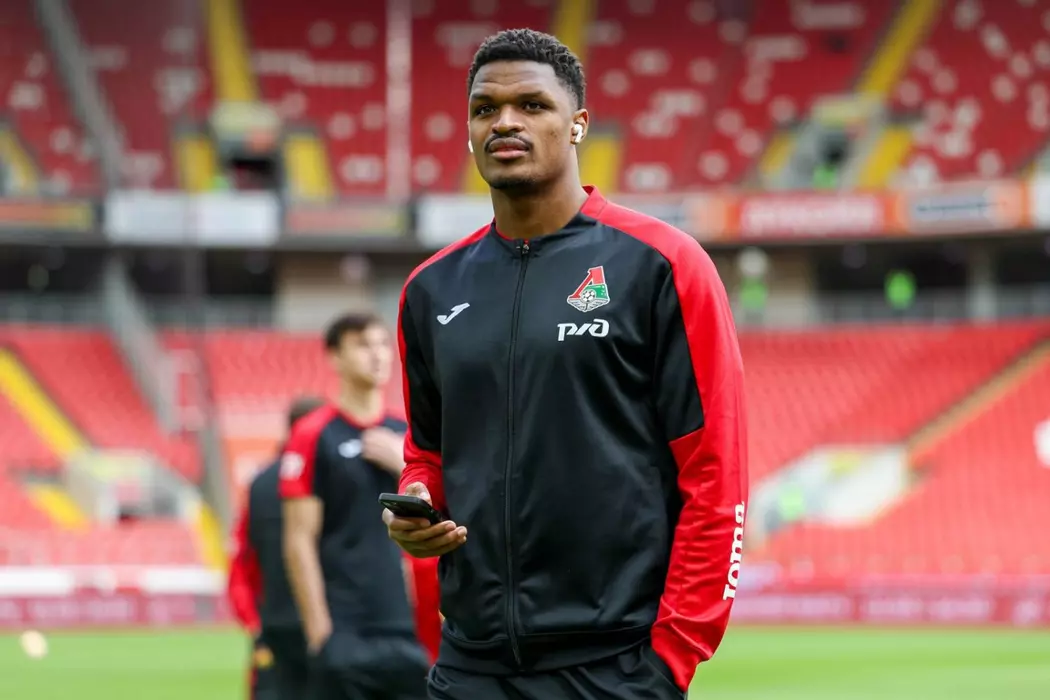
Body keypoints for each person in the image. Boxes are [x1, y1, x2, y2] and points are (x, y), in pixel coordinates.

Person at [385, 29, 749, 700]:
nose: (505, 122)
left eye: (532, 105)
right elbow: (427, 454)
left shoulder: (663, 265)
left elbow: (715, 474)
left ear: (578, 123)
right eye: (485, 109)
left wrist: (670, 659)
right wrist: (416, 503)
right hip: (470, 665)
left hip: (614, 666)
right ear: (469, 131)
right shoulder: (430, 289)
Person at [281, 313, 438, 700]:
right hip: (346, 630)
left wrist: (401, 464)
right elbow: (299, 538)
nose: (378, 354)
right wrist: (320, 632)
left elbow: (442, 515)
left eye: (383, 344)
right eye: (363, 345)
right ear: (335, 357)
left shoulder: (410, 434)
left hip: (411, 631)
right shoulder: (314, 434)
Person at [228, 395, 325, 700]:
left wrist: (252, 620)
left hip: (273, 625)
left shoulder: (259, 484)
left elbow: (241, 561)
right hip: (329, 623)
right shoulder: (334, 479)